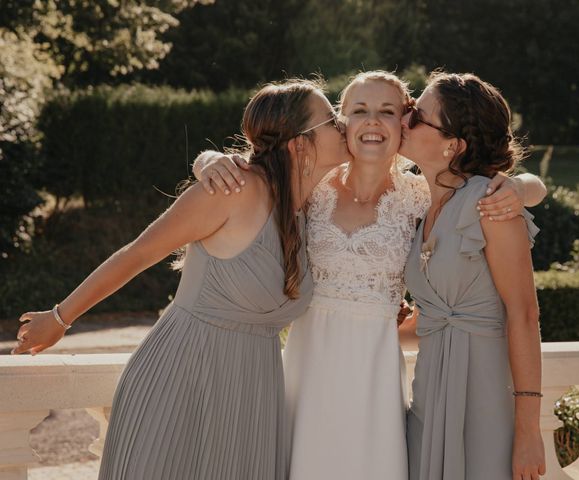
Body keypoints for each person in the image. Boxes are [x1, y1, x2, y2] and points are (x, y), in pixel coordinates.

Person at [194, 71, 547, 479]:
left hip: (380, 373)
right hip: (311, 365)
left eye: (398, 112)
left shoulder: (421, 198)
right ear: (340, 123)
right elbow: (259, 169)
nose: (382, 121)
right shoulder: (313, 189)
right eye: (359, 110)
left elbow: (517, 297)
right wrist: (209, 160)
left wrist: (521, 186)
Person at [12, 79, 352, 480]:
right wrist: (59, 317)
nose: (343, 124)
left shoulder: (309, 208)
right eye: (331, 120)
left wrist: (206, 156)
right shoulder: (232, 190)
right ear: (299, 144)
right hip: (181, 379)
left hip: (253, 394)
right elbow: (136, 254)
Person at [398, 71, 546, 480]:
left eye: (416, 115)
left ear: (454, 144)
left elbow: (524, 315)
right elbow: (435, 320)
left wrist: (529, 431)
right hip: (427, 395)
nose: (402, 120)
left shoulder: (490, 204)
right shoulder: (416, 205)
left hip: (485, 398)